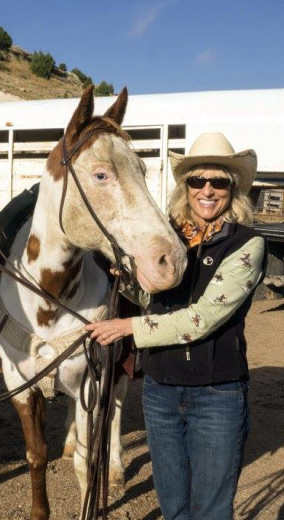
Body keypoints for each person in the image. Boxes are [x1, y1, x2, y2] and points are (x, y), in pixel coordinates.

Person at [85, 132, 266, 520]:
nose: (207, 190)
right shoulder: (167, 238)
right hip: (160, 391)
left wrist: (128, 327)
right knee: (173, 505)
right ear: (185, 187)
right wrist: (130, 279)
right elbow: (154, 298)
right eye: (197, 180)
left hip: (216, 395)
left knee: (211, 509)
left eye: (218, 181)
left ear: (232, 190)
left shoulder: (247, 245)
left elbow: (201, 319)